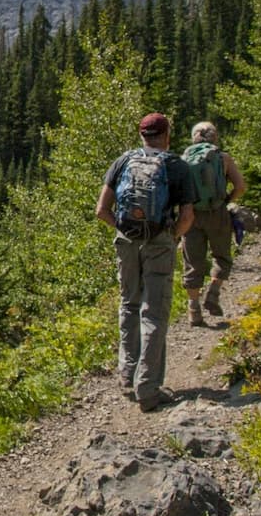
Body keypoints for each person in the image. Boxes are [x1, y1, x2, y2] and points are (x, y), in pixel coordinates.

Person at [95, 113, 197, 412]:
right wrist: (170, 238)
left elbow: (101, 210)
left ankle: (127, 376)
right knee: (154, 312)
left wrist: (122, 230)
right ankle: (148, 388)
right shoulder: (176, 165)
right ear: (166, 134)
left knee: (128, 304)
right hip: (159, 243)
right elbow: (188, 216)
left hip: (126, 242)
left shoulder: (123, 161)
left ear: (142, 135)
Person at [180, 122, 247, 326]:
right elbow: (240, 186)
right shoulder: (223, 158)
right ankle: (214, 293)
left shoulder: (183, 160)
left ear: (194, 138)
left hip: (191, 215)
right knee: (222, 256)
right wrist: (227, 200)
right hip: (217, 212)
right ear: (215, 137)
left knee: (192, 262)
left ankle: (194, 310)